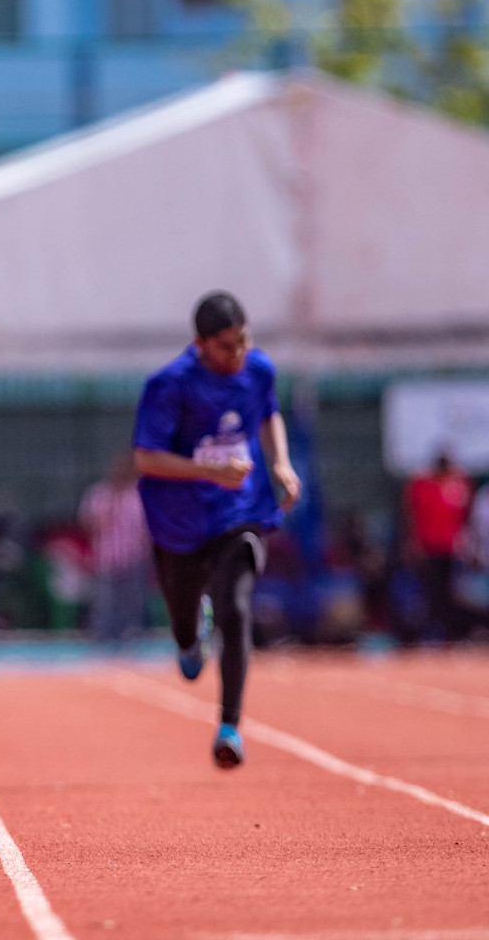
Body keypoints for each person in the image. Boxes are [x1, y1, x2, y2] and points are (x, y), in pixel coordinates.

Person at [133, 291, 300, 770]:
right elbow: (145, 458)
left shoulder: (258, 370)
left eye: (244, 341)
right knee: (186, 626)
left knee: (238, 607)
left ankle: (230, 726)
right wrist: (208, 471)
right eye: (226, 346)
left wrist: (281, 464)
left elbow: (269, 413)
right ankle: (189, 637)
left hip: (238, 511)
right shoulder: (169, 385)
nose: (238, 353)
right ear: (200, 344)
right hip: (179, 520)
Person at [78, 452, 152, 644]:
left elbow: (148, 528)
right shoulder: (99, 494)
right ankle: (102, 640)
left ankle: (130, 640)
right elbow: (88, 523)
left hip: (134, 558)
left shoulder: (139, 494)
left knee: (132, 603)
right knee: (106, 604)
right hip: (107, 559)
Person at [404, 453, 472, 641]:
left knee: (449, 594)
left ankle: (449, 633)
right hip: (430, 549)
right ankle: (433, 633)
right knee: (431, 593)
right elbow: (412, 512)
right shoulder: (427, 488)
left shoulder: (453, 489)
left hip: (449, 550)